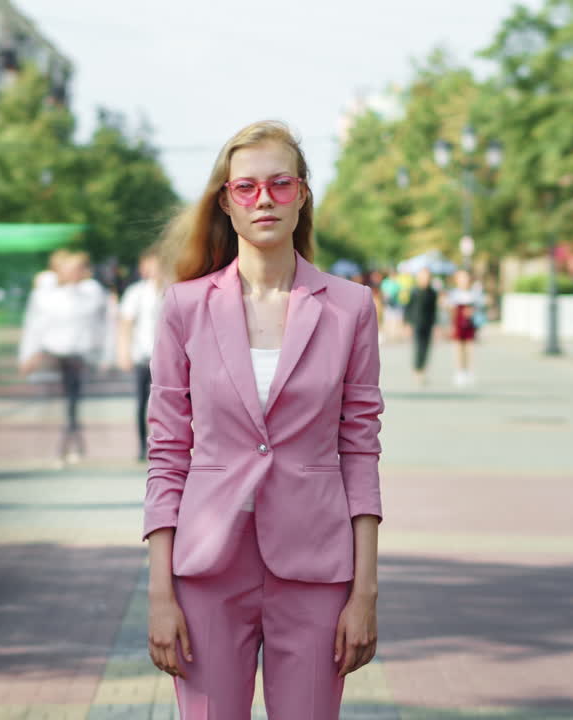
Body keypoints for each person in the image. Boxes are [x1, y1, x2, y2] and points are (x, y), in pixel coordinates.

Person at [143, 120, 384, 718]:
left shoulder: (350, 308)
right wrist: (158, 591)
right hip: (206, 567)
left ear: (302, 195)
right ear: (226, 202)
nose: (265, 200)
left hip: (316, 568)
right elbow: (168, 451)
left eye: (280, 184)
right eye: (246, 188)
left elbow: (360, 449)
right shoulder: (184, 308)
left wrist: (365, 589)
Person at [19, 250, 106, 468]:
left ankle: (70, 445)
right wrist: (28, 354)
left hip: (79, 355)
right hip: (53, 354)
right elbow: (35, 326)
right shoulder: (46, 295)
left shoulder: (91, 292)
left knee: (73, 403)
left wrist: (104, 354)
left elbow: (101, 323)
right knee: (60, 405)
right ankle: (61, 446)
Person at [117, 247, 164, 462]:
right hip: (143, 356)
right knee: (141, 403)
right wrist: (124, 352)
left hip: (167, 360)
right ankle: (141, 445)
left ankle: (164, 444)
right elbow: (126, 323)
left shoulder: (174, 289)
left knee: (167, 405)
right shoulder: (136, 292)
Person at [446, 268, 482, 387]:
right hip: (458, 323)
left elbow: (479, 306)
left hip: (470, 323)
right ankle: (459, 371)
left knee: (469, 347)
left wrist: (472, 311)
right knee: (458, 347)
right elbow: (450, 309)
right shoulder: (454, 293)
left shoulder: (474, 293)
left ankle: (469, 370)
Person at [404, 267, 438, 387]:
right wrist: (407, 323)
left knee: (426, 348)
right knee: (418, 347)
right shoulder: (414, 291)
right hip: (416, 323)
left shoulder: (433, 292)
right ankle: (417, 370)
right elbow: (408, 308)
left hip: (427, 323)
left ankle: (423, 370)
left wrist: (435, 325)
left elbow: (434, 310)